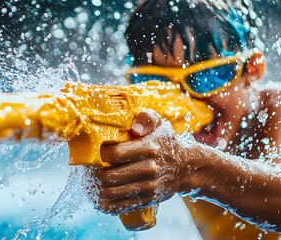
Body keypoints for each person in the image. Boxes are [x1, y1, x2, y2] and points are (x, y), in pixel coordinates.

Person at [92, 0, 281, 239]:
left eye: (207, 77)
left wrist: (193, 168)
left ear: (251, 69)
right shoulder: (154, 128)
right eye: (158, 83)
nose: (184, 99)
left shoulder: (275, 113)